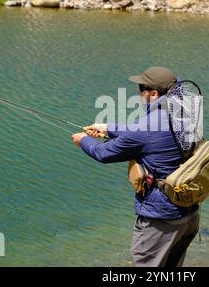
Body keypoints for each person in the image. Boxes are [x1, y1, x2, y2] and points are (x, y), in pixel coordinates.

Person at [72, 66, 200, 267]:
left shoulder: (147, 127)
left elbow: (104, 153)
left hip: (160, 221)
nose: (140, 94)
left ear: (154, 94)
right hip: (189, 214)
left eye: (142, 90)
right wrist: (108, 129)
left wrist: (83, 141)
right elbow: (146, 133)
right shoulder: (184, 113)